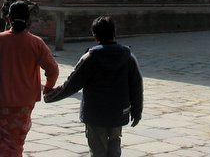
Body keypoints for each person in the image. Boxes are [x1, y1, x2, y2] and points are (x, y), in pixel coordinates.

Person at [45, 16, 143, 157]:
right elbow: (136, 87)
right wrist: (137, 112)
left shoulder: (90, 58)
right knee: (114, 146)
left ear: (95, 35)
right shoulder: (128, 57)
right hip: (118, 112)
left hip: (95, 113)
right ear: (114, 33)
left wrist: (50, 96)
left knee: (98, 150)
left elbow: (71, 85)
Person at [0, 1, 59, 157]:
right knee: (15, 143)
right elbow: (53, 70)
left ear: (8, 18)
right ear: (28, 19)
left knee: (3, 143)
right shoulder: (36, 42)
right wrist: (48, 87)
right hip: (24, 103)